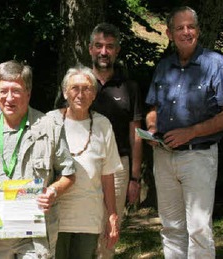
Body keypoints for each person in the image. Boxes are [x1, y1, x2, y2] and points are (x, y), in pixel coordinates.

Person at [145, 6, 223, 258]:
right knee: (170, 227)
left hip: (198, 156)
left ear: (198, 30)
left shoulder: (215, 64)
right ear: (169, 33)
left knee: (198, 229)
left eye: (191, 26)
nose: (186, 32)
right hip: (164, 157)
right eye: (180, 28)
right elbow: (153, 109)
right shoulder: (164, 66)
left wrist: (191, 132)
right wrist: (152, 128)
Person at [0, 60, 76, 258]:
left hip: (34, 235)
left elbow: (69, 174)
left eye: (16, 91)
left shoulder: (50, 127)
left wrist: (52, 191)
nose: (9, 98)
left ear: (28, 92)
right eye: (3, 91)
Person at [49, 65, 123, 259]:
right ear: (65, 92)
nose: (80, 94)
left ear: (94, 95)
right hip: (56, 215)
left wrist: (112, 215)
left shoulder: (103, 125)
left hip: (89, 216)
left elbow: (108, 175)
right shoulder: (50, 122)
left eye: (87, 88)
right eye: (75, 88)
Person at [88, 22, 144, 259]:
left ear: (117, 51)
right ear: (90, 49)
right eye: (99, 46)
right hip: (83, 167)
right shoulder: (77, 83)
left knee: (109, 232)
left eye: (110, 47)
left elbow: (136, 134)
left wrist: (135, 177)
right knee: (81, 228)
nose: (104, 51)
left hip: (118, 168)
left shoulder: (129, 87)